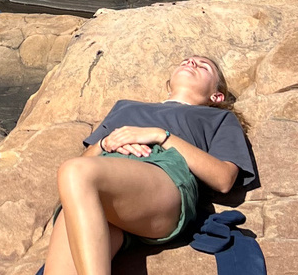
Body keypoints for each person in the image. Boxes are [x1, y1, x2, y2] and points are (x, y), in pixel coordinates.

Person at [40, 55, 256, 275]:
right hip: (106, 187)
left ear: (216, 96)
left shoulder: (217, 118)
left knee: (74, 171)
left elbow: (223, 179)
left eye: (204, 66)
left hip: (163, 177)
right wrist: (105, 143)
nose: (191, 63)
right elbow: (77, 173)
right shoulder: (126, 108)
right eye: (187, 60)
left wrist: (159, 135)